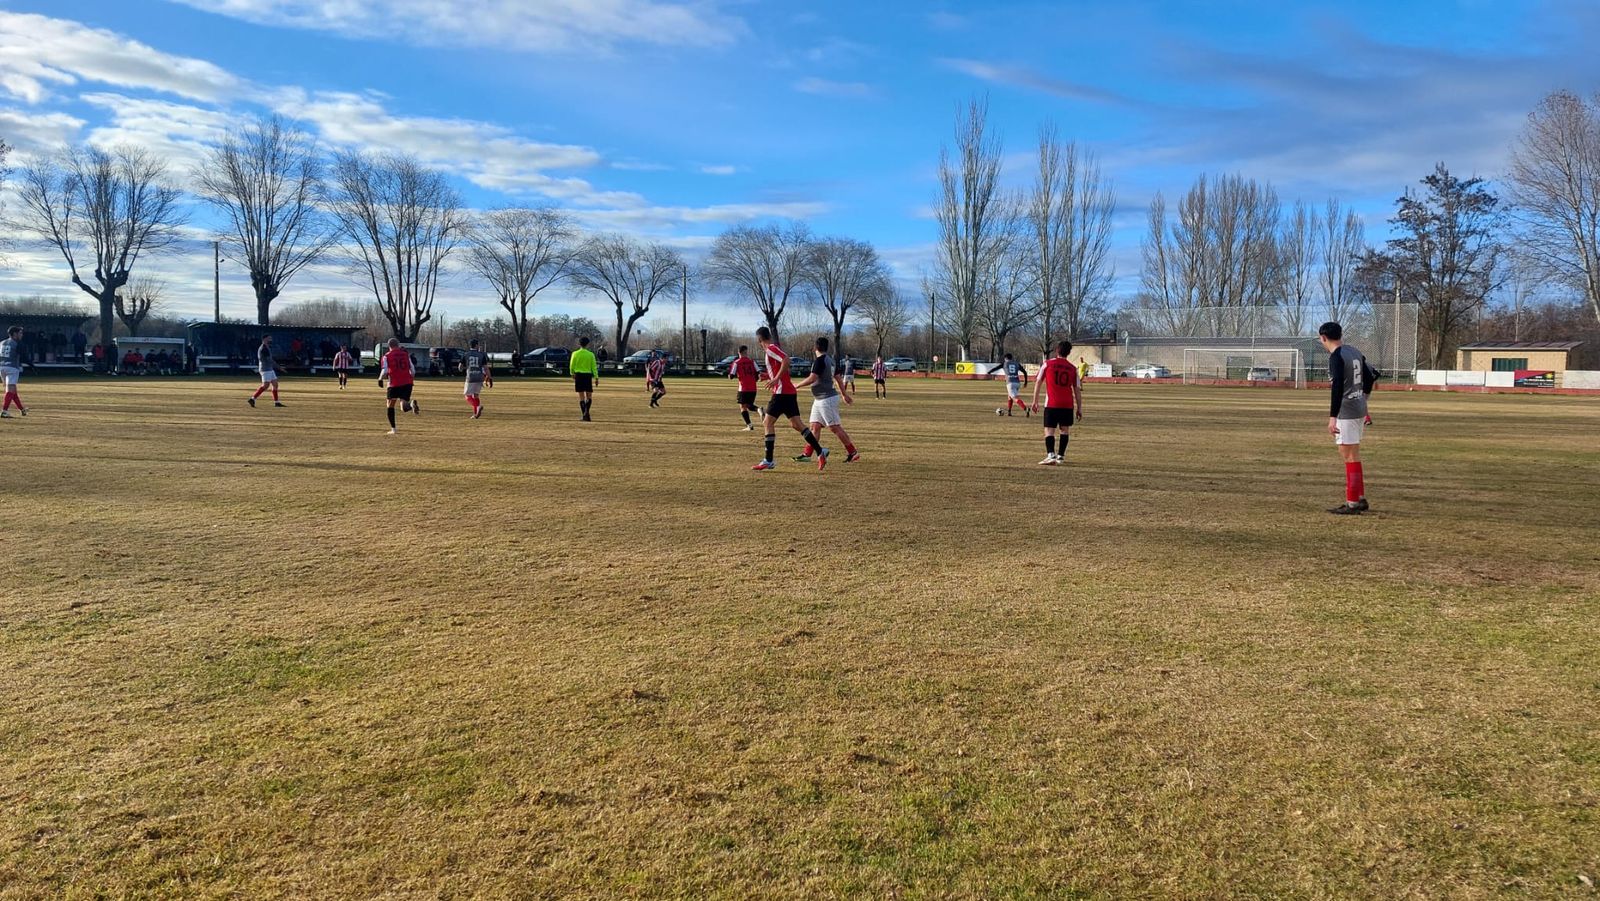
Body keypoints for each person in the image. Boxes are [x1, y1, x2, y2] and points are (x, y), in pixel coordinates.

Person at [1319, 321, 1378, 514]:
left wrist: (1332, 417)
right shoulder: (1353, 351)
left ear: (1323, 338)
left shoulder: (1336, 357)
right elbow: (1371, 376)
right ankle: (1359, 498)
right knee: (1354, 454)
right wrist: (1364, 398)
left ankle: (1352, 502)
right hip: (1359, 408)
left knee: (1348, 455)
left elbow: (1337, 388)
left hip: (1347, 411)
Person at [752, 326, 827, 471]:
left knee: (767, 422)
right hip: (789, 392)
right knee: (797, 425)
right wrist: (769, 377)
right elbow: (782, 368)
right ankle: (820, 451)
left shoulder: (770, 349)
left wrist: (775, 380)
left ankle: (768, 460)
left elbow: (786, 360)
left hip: (781, 393)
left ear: (760, 340)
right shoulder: (773, 349)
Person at [793, 335, 859, 463]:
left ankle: (853, 452)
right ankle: (807, 454)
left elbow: (812, 378)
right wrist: (844, 395)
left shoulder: (820, 360)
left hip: (826, 399)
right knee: (815, 426)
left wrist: (798, 385)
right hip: (820, 399)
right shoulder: (831, 360)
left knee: (835, 427)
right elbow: (839, 379)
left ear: (815, 347)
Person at [1029, 340, 1082, 465]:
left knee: (1049, 430)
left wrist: (1035, 401)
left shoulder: (1047, 364)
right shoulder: (1073, 369)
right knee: (1064, 430)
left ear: (1057, 350)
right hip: (1067, 404)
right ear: (1069, 353)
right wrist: (1079, 408)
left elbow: (1038, 382)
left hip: (1052, 403)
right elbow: (1077, 390)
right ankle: (1061, 456)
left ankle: (1051, 455)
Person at [377, 337, 420, 434]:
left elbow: (385, 370)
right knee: (403, 407)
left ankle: (393, 429)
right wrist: (410, 378)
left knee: (390, 405)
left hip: (394, 383)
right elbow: (412, 370)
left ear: (389, 346)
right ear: (398, 345)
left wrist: (380, 379)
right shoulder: (405, 354)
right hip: (407, 382)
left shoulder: (386, 356)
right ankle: (411, 404)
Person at [728, 344, 761, 430]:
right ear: (746, 352)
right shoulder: (752, 361)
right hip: (753, 388)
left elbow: (731, 376)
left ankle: (749, 426)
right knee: (749, 405)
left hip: (743, 388)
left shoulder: (737, 362)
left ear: (739, 352)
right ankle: (758, 410)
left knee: (743, 407)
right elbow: (758, 372)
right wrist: (755, 379)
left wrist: (729, 375)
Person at [248, 335, 284, 408]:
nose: (271, 340)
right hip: (265, 369)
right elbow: (269, 360)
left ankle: (276, 402)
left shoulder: (267, 347)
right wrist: (278, 367)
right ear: (264, 339)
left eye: (271, 338)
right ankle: (252, 399)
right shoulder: (263, 348)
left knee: (275, 384)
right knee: (265, 386)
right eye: (269, 338)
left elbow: (270, 359)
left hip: (269, 368)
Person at [570, 336, 599, 421]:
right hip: (587, 376)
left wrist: (572, 373)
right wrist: (596, 377)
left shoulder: (575, 354)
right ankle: (587, 413)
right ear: (587, 344)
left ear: (579, 343)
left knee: (581, 396)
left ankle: (584, 415)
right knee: (589, 396)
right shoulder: (590, 354)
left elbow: (572, 365)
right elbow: (594, 367)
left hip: (578, 375)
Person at [1, 326, 28, 418]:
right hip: (12, 368)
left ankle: (22, 409)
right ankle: (4, 411)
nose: (21, 335)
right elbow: (24, 357)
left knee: (13, 391)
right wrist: (32, 365)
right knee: (10, 390)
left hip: (1, 367)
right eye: (20, 333)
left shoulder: (2, 343)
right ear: (15, 334)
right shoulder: (17, 343)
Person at [462, 338, 489, 418]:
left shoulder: (466, 354)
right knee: (475, 396)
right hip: (479, 378)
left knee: (467, 396)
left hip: (470, 377)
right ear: (476, 345)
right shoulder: (481, 355)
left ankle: (478, 407)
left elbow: (460, 367)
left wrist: (463, 368)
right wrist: (489, 377)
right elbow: (486, 368)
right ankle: (475, 414)